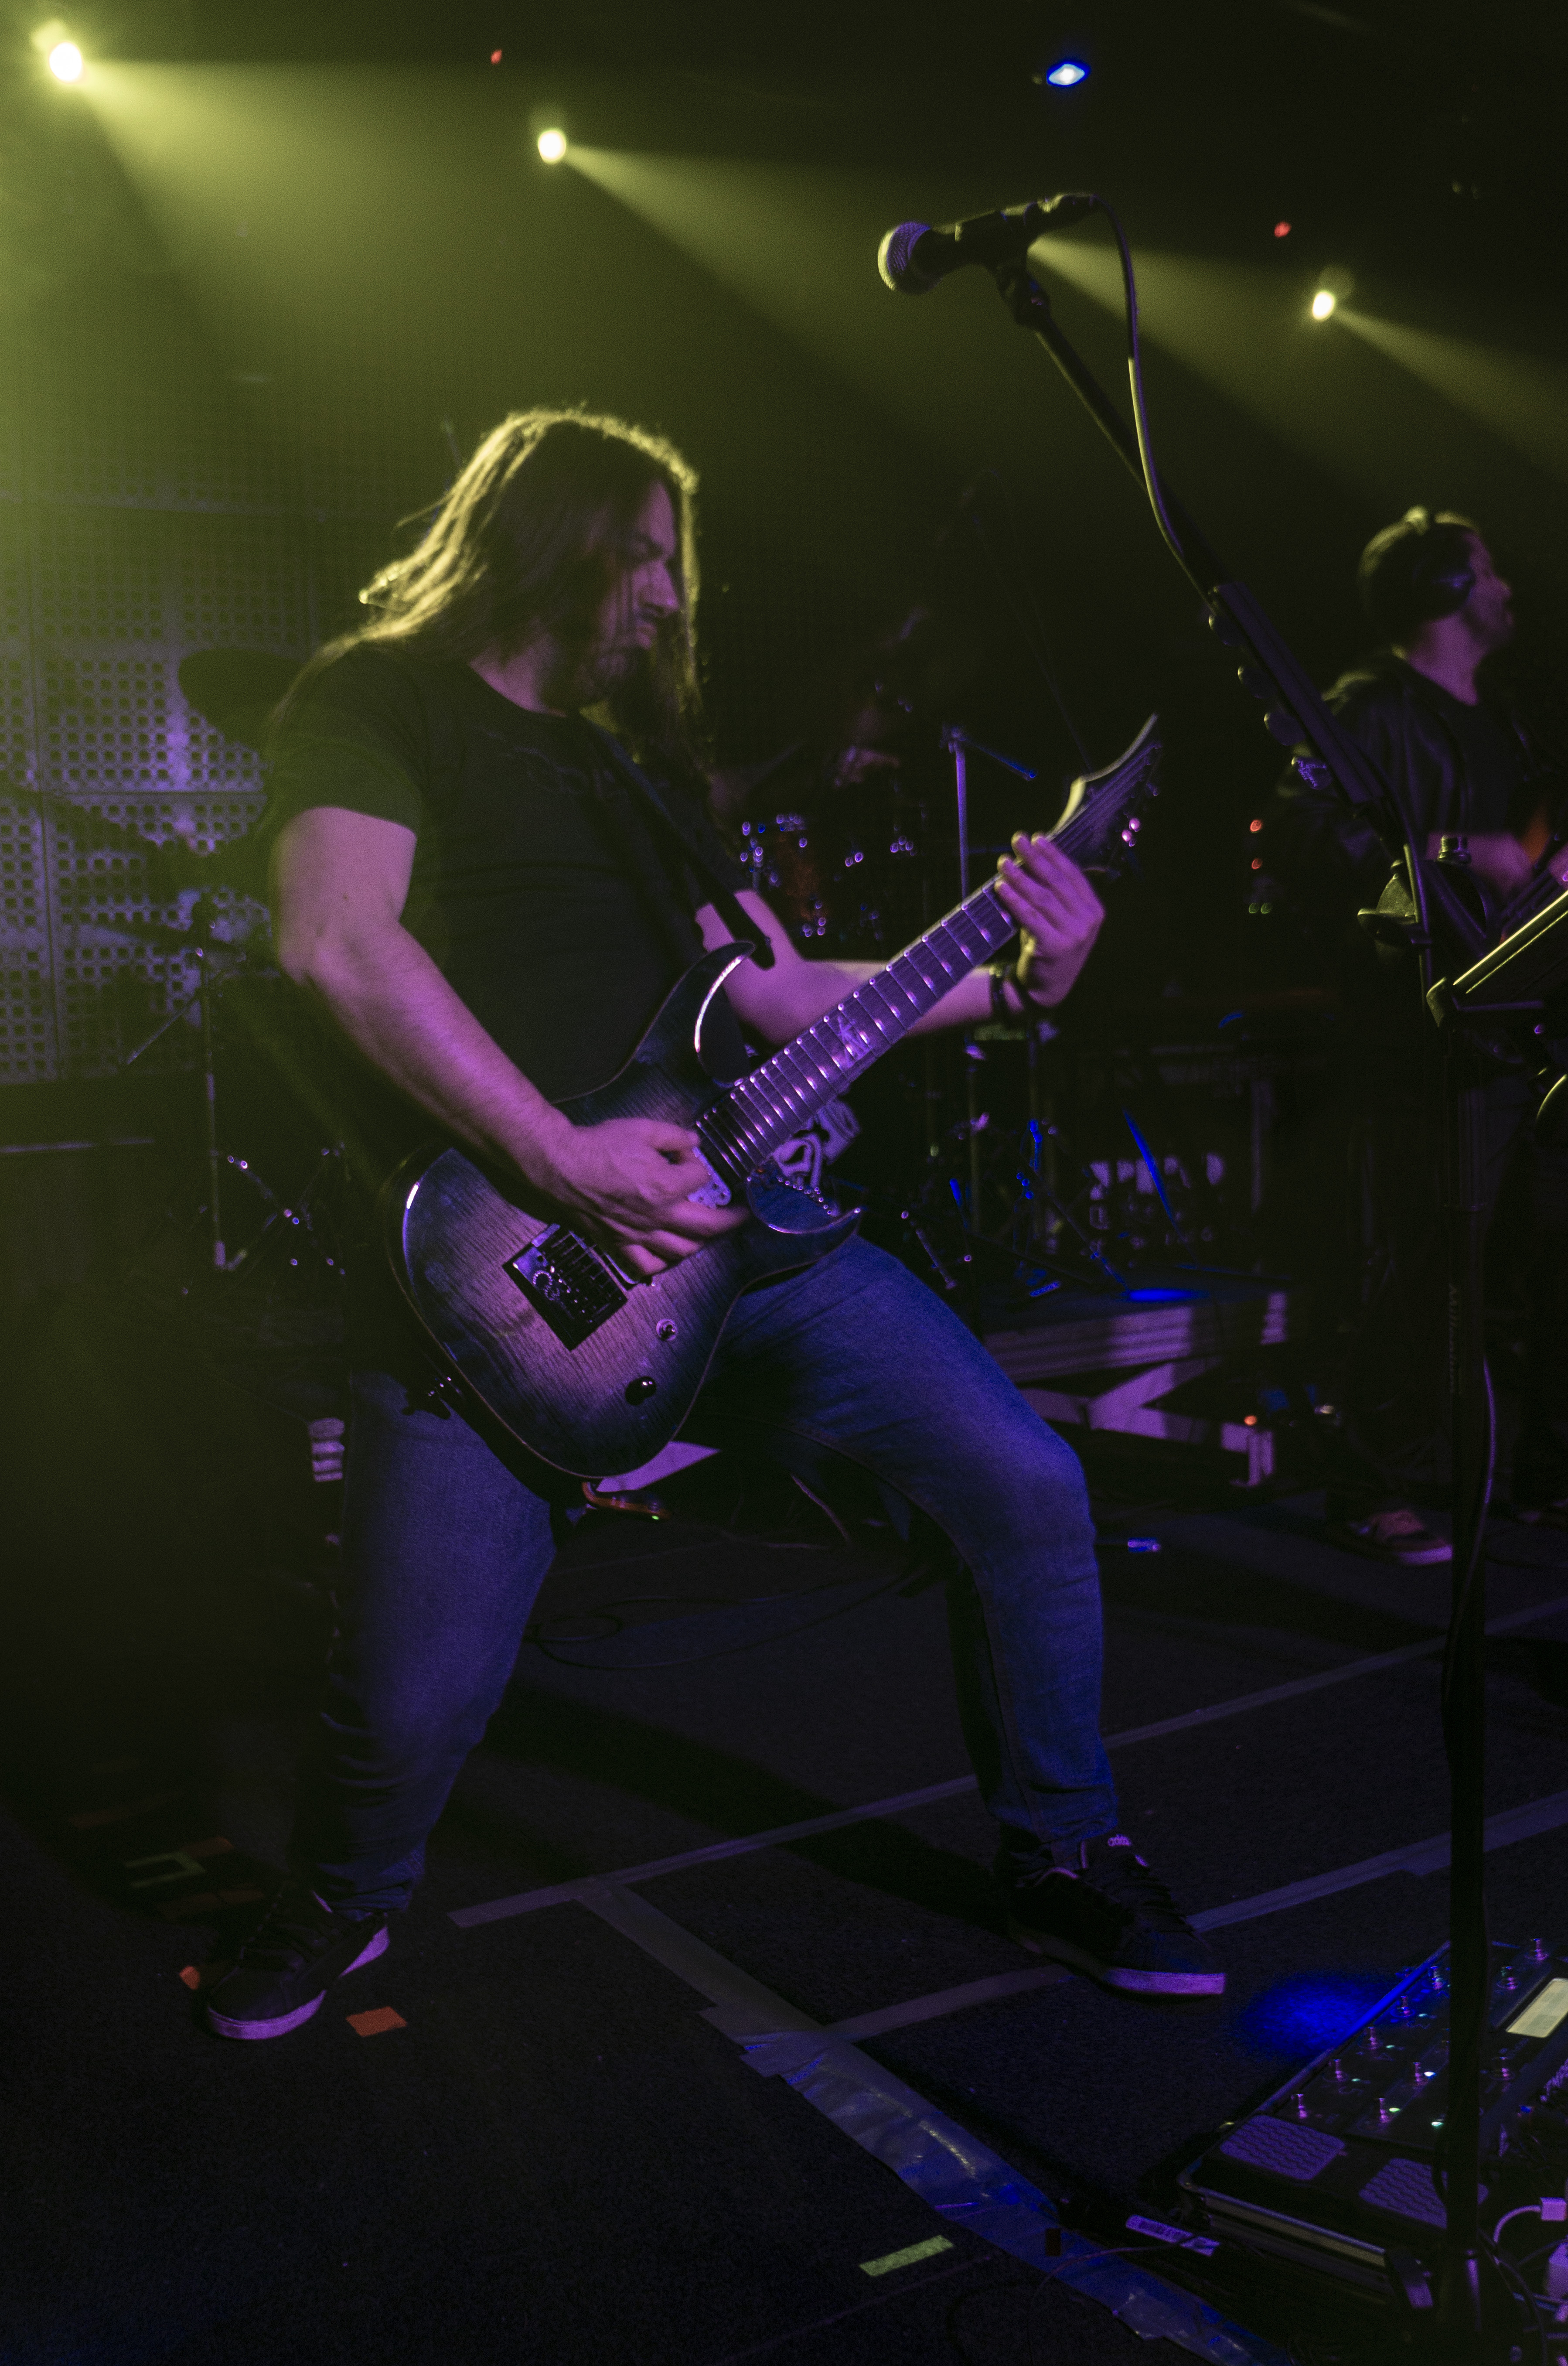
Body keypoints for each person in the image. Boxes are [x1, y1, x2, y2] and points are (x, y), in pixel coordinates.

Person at [204, 407, 1223, 2040]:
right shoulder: (374, 698)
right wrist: (556, 1155)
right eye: (647, 558)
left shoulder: (629, 770)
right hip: (497, 1266)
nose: (674, 599)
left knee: (1026, 1484)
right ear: (549, 538)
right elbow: (333, 939)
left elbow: (775, 992)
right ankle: (343, 1891)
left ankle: (1063, 1851)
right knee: (407, 1700)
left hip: (741, 1246)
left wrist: (1022, 981)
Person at [1272, 505, 1568, 1567]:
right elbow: (1305, 839)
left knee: (1548, 1254)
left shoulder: (1505, 721)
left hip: (1525, 1028)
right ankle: (1370, 1485)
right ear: (1441, 587)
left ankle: (1542, 1472)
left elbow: (1523, 850)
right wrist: (1460, 849)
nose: (1506, 588)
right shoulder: (1366, 708)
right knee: (1425, 1266)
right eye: (1485, 569)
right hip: (1424, 1038)